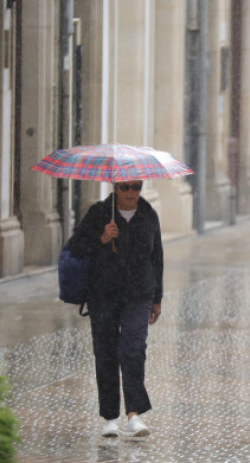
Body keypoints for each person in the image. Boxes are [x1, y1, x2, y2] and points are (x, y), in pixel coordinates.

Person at [69, 180, 163, 438]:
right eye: (126, 187)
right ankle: (110, 417)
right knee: (106, 353)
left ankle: (134, 414)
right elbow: (76, 248)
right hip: (103, 295)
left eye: (137, 186)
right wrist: (102, 238)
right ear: (115, 187)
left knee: (134, 350)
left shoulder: (148, 214)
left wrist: (157, 299)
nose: (132, 193)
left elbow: (157, 258)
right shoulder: (99, 213)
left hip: (138, 295)